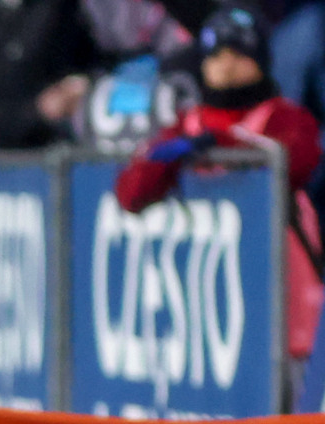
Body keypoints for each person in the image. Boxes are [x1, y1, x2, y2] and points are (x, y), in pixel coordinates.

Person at [115, 2, 324, 394]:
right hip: (211, 324)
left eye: (238, 55)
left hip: (285, 312)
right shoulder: (187, 124)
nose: (226, 65)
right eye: (217, 55)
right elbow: (131, 193)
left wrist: (220, 142)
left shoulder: (284, 117)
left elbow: (298, 160)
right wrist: (167, 159)